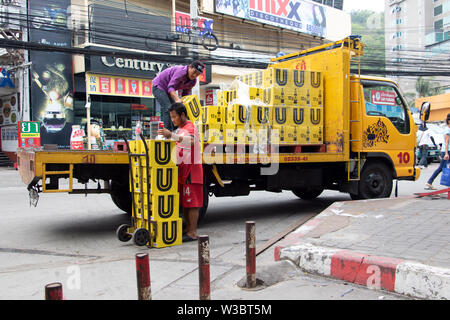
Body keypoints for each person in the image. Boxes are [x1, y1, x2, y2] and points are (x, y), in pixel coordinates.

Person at [157, 102, 203, 242]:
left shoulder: (190, 127)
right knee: (186, 203)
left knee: (192, 203)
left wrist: (171, 134)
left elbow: (191, 141)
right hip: (183, 171)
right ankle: (188, 230)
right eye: (171, 117)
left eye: (174, 117)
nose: (172, 120)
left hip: (191, 171)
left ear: (182, 115)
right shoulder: (180, 129)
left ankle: (192, 232)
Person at [152, 61, 205, 131]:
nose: (194, 75)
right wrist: (177, 99)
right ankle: (168, 132)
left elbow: (185, 95)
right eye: (194, 72)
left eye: (197, 74)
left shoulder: (193, 82)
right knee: (168, 108)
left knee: (176, 110)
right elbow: (170, 87)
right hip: (159, 86)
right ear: (190, 67)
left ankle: (176, 130)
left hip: (167, 90)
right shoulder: (181, 72)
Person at [425, 114, 450, 190]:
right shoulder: (447, 130)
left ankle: (429, 182)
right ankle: (429, 182)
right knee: (441, 168)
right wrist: (446, 153)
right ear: (449, 121)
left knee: (441, 168)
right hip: (447, 151)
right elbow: (446, 142)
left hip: (448, 151)